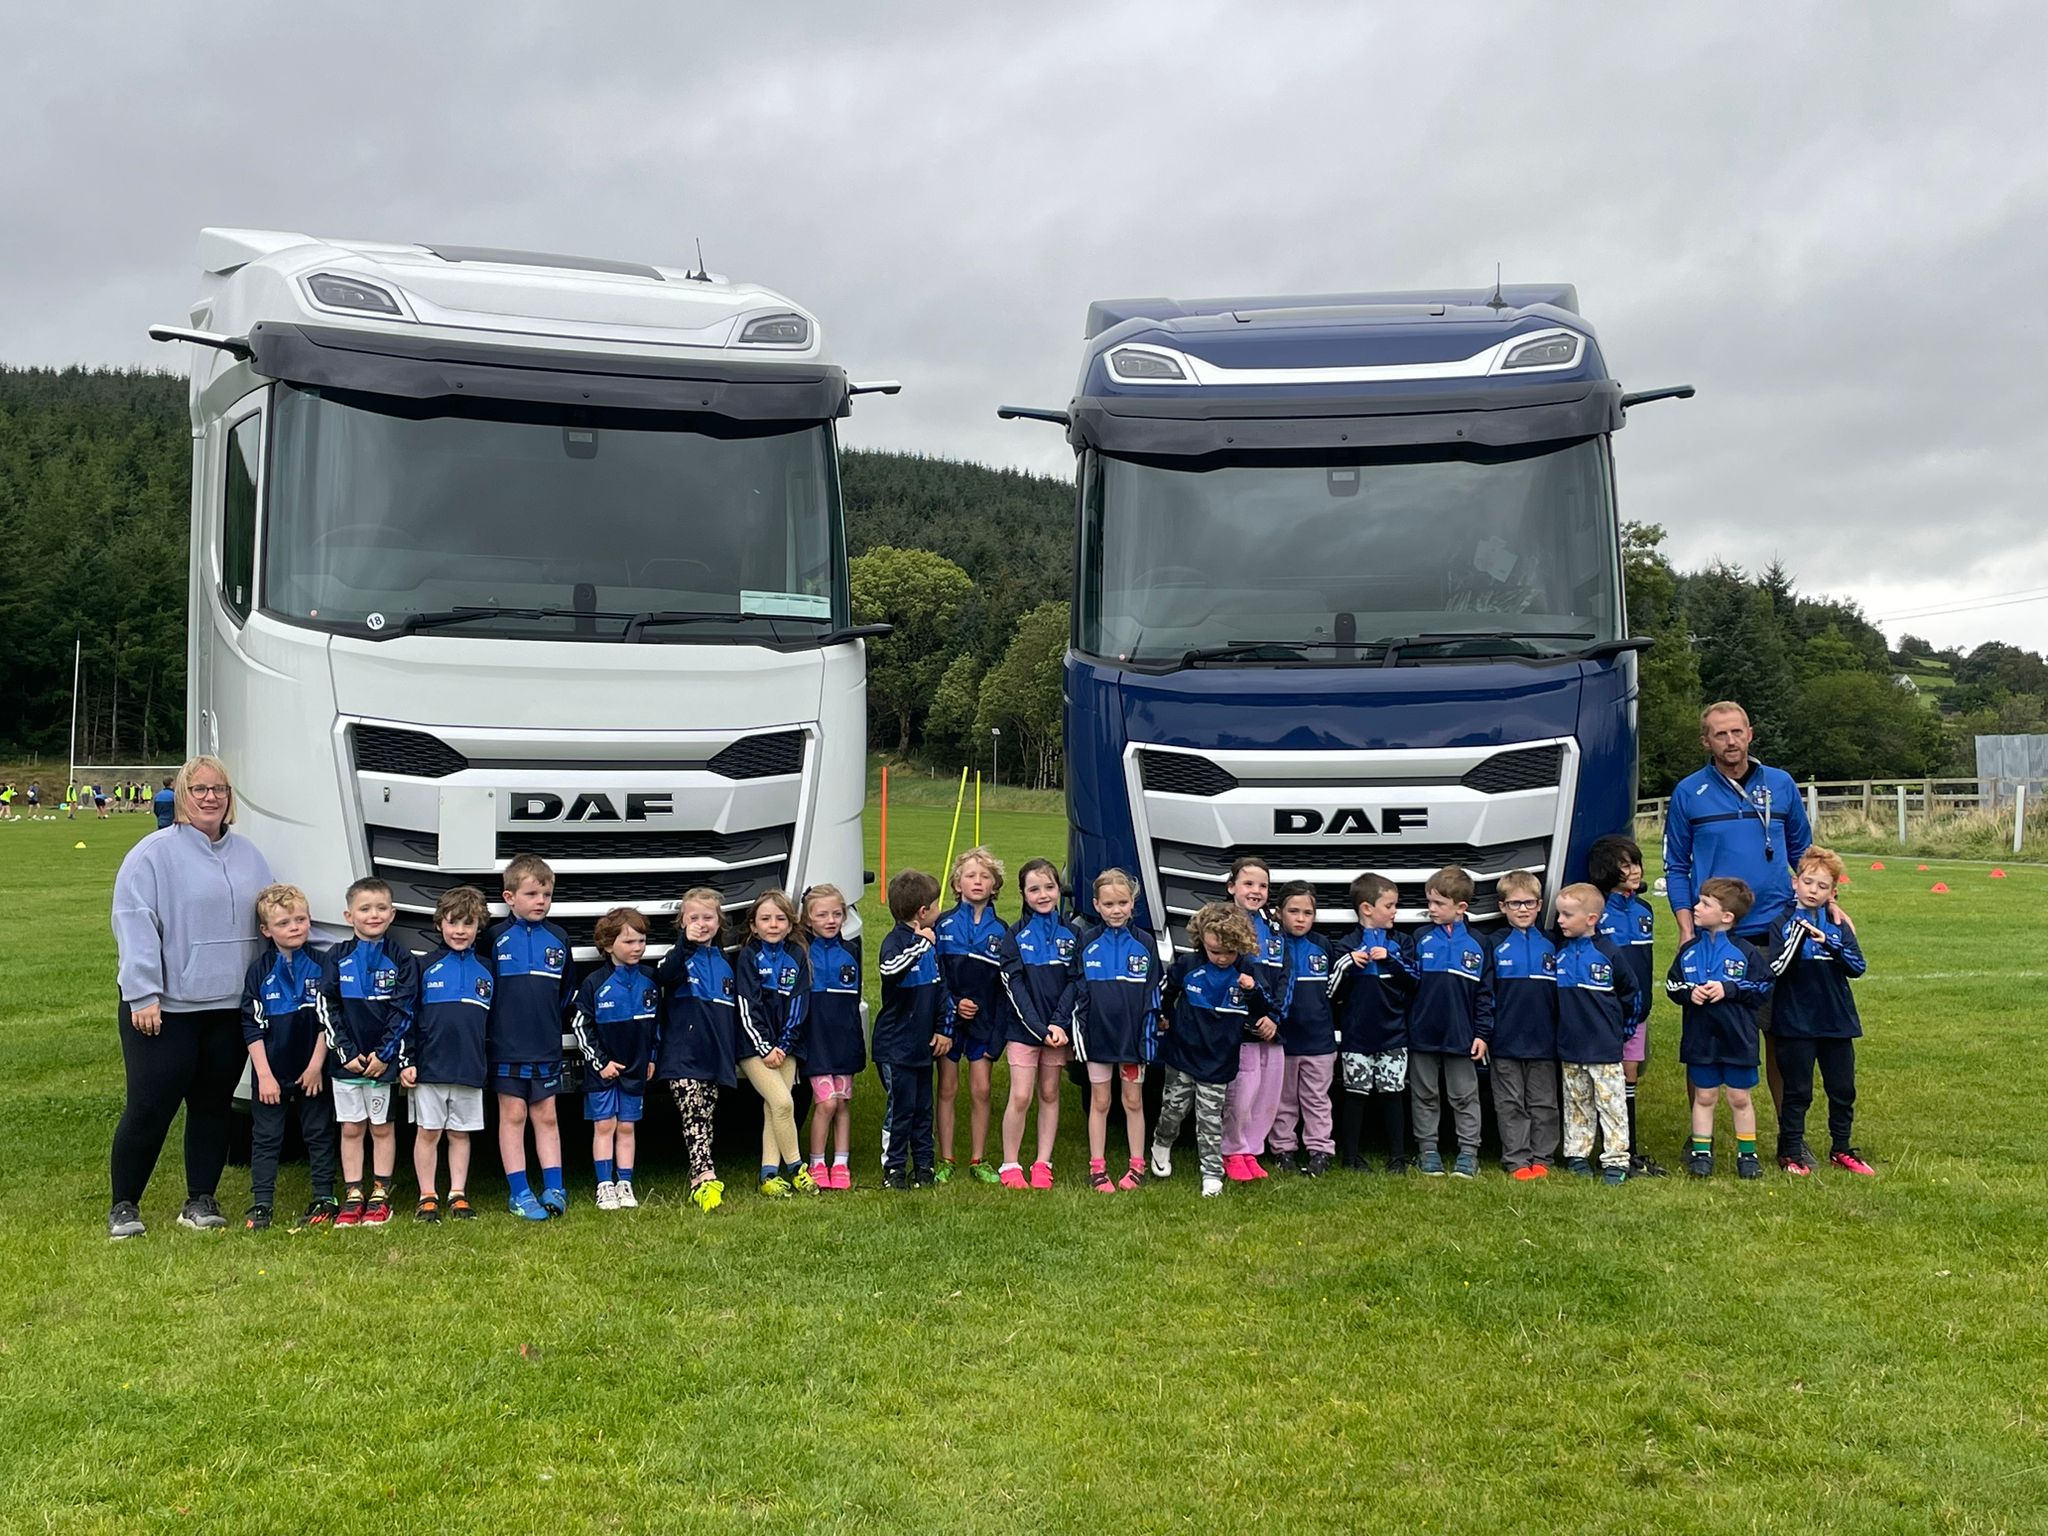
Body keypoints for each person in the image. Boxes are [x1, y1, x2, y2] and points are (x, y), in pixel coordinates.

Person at [108, 755, 274, 1239]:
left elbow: (271, 918)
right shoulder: (152, 854)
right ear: (182, 795)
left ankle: (200, 1199)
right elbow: (134, 924)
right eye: (199, 789)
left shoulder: (250, 856)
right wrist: (143, 993)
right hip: (166, 1008)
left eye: (218, 789)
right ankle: (124, 1205)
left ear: (229, 797)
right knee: (150, 1106)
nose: (210, 797)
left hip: (229, 1007)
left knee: (213, 1105)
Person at [1662, 701, 1815, 1113]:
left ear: (1750, 734)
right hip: (1714, 935)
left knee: (1781, 1034)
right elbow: (1676, 866)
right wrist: (1686, 928)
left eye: (1736, 732)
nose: (1730, 741)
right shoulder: (1688, 792)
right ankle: (1701, 1137)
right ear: (1706, 741)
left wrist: (1823, 904)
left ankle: (1789, 1135)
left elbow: (1804, 853)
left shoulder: (1781, 783)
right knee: (1705, 1035)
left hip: (1775, 928)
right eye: (1720, 734)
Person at [1765, 847, 1875, 1177]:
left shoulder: (1838, 925)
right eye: (1808, 882)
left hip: (1836, 1019)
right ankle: (1790, 1151)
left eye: (1822, 886)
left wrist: (1829, 941)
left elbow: (1857, 967)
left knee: (1842, 1089)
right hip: (1795, 1021)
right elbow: (1776, 969)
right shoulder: (1782, 923)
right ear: (1795, 883)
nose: (1813, 890)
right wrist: (1799, 937)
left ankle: (1841, 1148)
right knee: (1798, 1091)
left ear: (1833, 892)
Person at [1151, 903, 1274, 1197]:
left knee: (1210, 1119)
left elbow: (1263, 1010)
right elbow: (1166, 992)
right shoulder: (1188, 965)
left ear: (1240, 946)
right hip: (1183, 1053)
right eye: (1214, 951)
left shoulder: (1247, 972)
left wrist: (1251, 991)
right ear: (1202, 942)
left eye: (1228, 953)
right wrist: (1163, 1015)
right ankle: (1161, 1143)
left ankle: (1211, 1172)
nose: (1221, 958)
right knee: (1173, 1110)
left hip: (1219, 1059)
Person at [933, 847, 1036, 1185]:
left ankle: (978, 1158)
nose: (977, 881)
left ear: (995, 886)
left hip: (985, 1025)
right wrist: (952, 1004)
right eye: (970, 875)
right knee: (947, 1088)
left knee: (981, 1090)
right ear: (957, 884)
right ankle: (946, 1157)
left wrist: (997, 1037)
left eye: (985, 876)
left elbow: (1005, 988)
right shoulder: (943, 925)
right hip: (949, 1024)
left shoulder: (1003, 931)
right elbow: (936, 977)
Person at [320, 877, 418, 1228]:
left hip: (382, 1064)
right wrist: (345, 1052)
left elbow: (404, 1011)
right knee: (351, 1128)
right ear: (349, 916)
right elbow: (326, 1006)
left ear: (392, 914)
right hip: (346, 1064)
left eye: (381, 908)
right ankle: (353, 1194)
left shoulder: (401, 958)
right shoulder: (336, 957)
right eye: (365, 909)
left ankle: (380, 1194)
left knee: (381, 1128)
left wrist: (384, 1054)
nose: (373, 915)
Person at [238, 883, 337, 1231]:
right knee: (266, 1138)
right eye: (283, 923)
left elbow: (329, 1019)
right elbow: (251, 1026)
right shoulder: (259, 971)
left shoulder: (324, 965)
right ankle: (262, 1204)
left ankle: (324, 1196)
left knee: (319, 1133)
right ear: (266, 930)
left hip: (313, 1070)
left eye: (300, 920)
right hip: (271, 1072)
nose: (294, 927)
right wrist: (264, 1076)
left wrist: (316, 1066)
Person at [489, 853, 577, 1220]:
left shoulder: (558, 938)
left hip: (545, 1044)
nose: (541, 901)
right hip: (506, 1045)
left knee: (547, 1114)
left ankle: (554, 1187)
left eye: (546, 895)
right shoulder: (494, 938)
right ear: (509, 898)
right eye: (531, 894)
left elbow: (566, 992)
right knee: (513, 1114)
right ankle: (519, 1192)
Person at [1666, 877, 1772, 1179]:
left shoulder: (1746, 952)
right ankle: (1701, 1154)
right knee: (1704, 1096)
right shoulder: (1689, 950)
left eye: (1705, 904)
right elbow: (1672, 985)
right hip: (1700, 1039)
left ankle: (1747, 1155)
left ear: (1727, 916)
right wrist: (1690, 993)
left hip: (1738, 1039)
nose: (1696, 907)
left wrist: (1730, 989)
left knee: (1739, 1097)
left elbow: (1763, 986)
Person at [403, 885, 494, 1222]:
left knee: (460, 1132)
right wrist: (407, 1060)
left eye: (468, 923)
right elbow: (407, 1016)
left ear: (478, 927)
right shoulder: (424, 966)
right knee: (429, 1132)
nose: (459, 931)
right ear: (439, 923)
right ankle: (427, 1195)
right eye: (453, 922)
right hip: (430, 1067)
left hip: (470, 1066)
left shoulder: (488, 969)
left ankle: (458, 1193)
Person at [654, 888, 741, 1213]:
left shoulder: (725, 962)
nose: (701, 924)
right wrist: (685, 944)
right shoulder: (677, 957)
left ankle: (699, 1173)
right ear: (682, 922)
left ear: (719, 922)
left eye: (708, 917)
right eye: (694, 918)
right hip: (683, 1055)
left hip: (713, 1054)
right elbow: (664, 975)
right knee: (693, 1112)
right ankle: (705, 1176)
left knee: (705, 1112)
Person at [1072, 868, 1159, 1192]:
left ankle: (1137, 1165)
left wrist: (1147, 1034)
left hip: (1132, 1041)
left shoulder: (1145, 942)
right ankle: (1097, 1167)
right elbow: (1079, 990)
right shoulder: (1087, 941)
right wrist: (1081, 1033)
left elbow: (1154, 992)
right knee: (1100, 1101)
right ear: (1096, 905)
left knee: (1133, 1101)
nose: (1116, 910)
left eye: (1122, 903)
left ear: (1133, 903)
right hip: (1098, 1038)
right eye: (1108, 904)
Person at [1406, 866, 1493, 1178]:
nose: (1431, 909)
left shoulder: (1480, 944)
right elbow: (1408, 986)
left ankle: (1468, 1153)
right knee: (1424, 1094)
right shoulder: (1420, 938)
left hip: (1461, 1035)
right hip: (1422, 1033)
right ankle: (1427, 1150)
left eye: (1438, 903)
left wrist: (1482, 1033)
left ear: (1461, 907)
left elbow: (1485, 993)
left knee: (1464, 1096)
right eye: (1429, 902)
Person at [571, 907, 659, 1211]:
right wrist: (601, 1063)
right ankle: (604, 1185)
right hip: (603, 1071)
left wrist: (652, 1057)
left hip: (636, 1069)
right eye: (629, 942)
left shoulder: (650, 979)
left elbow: (657, 1025)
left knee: (627, 1127)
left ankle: (625, 1183)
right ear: (608, 945)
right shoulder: (594, 982)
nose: (637, 948)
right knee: (604, 1125)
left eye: (641, 941)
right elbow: (581, 1026)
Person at [1552, 882, 1639, 1185]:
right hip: (1570, 1046)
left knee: (1611, 1104)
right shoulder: (1560, 953)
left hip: (1604, 1047)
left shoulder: (1609, 953)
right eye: (1559, 914)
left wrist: (1623, 1031)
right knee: (1577, 1102)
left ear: (1591, 919)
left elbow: (1631, 994)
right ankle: (1577, 1154)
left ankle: (1616, 1159)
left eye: (1567, 915)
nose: (1560, 920)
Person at [873, 869, 954, 1190]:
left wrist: (944, 1028)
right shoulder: (896, 943)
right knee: (901, 1109)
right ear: (923, 912)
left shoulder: (930, 946)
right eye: (936, 905)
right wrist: (920, 944)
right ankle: (893, 1168)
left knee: (923, 1109)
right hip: (895, 1047)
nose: (939, 910)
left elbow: (941, 991)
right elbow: (889, 968)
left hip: (923, 1045)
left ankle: (923, 1165)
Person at [1589, 834, 1665, 1177]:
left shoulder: (1644, 909)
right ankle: (1606, 1148)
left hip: (1637, 1010)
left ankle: (1629, 1149)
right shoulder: (1597, 911)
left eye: (1636, 863)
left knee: (1629, 1074)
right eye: (1625, 865)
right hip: (1605, 1010)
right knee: (1604, 1079)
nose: (1635, 870)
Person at [999, 859, 1077, 1190]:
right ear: (1023, 893)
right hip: (1024, 1031)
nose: (1043, 895)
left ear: (1059, 890)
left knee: (1049, 1092)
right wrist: (1039, 1029)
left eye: (1049, 887)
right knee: (1020, 1096)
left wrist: (1057, 1025)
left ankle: (1043, 1162)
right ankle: (1010, 1163)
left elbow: (1075, 982)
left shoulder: (1073, 934)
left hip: (1057, 1033)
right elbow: (1014, 987)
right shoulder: (1014, 935)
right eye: (1034, 889)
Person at [733, 889, 816, 1197]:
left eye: (780, 919)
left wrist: (784, 1044)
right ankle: (797, 1168)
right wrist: (765, 1047)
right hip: (753, 1047)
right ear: (753, 926)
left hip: (787, 1046)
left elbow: (799, 1003)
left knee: (774, 1108)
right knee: (783, 1103)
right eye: (765, 919)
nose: (773, 924)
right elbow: (747, 1006)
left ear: (790, 924)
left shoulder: (797, 955)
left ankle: (768, 1174)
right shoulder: (748, 956)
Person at [1330, 874, 1415, 1172]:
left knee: (1393, 1095)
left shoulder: (1401, 942)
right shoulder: (1346, 945)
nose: (1395, 912)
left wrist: (1391, 959)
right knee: (1355, 1095)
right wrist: (1348, 964)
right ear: (1367, 908)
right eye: (1389, 906)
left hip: (1394, 1034)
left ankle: (1397, 1157)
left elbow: (1415, 981)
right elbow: (1332, 993)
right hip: (1356, 1035)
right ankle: (1351, 1156)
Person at [1487, 870, 1560, 1181]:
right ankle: (1516, 1158)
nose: (1522, 909)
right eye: (1514, 904)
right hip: (1506, 1040)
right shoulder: (1493, 944)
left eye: (1529, 903)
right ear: (1502, 907)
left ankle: (1542, 1157)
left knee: (1544, 1103)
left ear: (1540, 905)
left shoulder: (1553, 943)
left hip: (1544, 1040)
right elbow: (1486, 993)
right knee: (1510, 1103)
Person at [1266, 882, 1340, 1177]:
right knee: (1283, 1100)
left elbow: (1334, 992)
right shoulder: (1272, 945)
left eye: (1307, 913)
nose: (1300, 918)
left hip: (1319, 1040)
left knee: (1317, 1099)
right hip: (1282, 1040)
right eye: (1293, 911)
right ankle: (1283, 1149)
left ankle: (1320, 1150)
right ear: (1279, 912)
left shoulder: (1322, 946)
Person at [1220, 856, 1286, 1181]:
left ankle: (1252, 1150)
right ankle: (1232, 1150)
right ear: (1232, 887)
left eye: (1263, 885)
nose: (1256, 891)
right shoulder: (1223, 926)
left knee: (1267, 1094)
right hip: (1241, 1027)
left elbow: (1286, 977)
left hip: (1271, 1027)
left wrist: (1275, 1016)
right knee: (1242, 1093)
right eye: (1248, 884)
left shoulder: (1274, 929)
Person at [800, 884, 865, 1191]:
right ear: (808, 919)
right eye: (822, 915)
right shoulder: (802, 952)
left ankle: (840, 1162)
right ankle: (816, 1162)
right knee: (825, 1103)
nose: (830, 920)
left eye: (837, 914)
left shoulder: (851, 951)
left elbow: (855, 995)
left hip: (844, 1038)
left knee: (841, 1103)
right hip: (816, 1039)